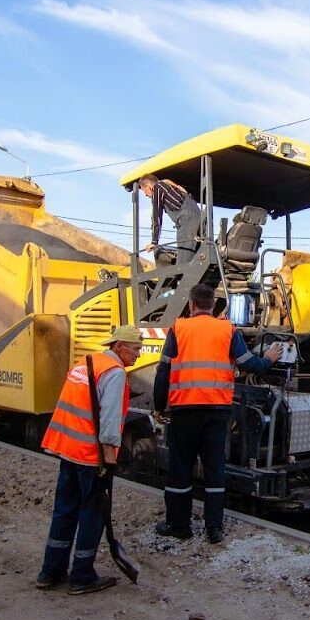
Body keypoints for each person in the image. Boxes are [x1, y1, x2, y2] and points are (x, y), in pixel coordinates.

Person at [153, 283, 282, 543]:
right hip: (216, 411)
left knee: (180, 469)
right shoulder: (227, 329)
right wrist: (269, 357)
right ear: (214, 305)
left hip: (184, 411)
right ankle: (214, 529)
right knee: (215, 469)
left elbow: (163, 372)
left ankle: (179, 526)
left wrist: (158, 405)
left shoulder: (178, 328)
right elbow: (250, 365)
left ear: (191, 304)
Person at [36, 325, 144, 595]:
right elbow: (108, 421)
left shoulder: (84, 364)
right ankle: (82, 576)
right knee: (92, 515)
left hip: (67, 450)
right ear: (119, 346)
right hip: (90, 457)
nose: (139, 354)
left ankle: (50, 571)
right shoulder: (115, 373)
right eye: (136, 348)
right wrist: (109, 461)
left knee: (64, 510)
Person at [137, 174, 203, 266]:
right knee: (200, 257)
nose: (145, 195)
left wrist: (154, 242)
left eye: (144, 191)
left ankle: (180, 279)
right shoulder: (174, 188)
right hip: (202, 221)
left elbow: (157, 217)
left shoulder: (157, 188)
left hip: (187, 224)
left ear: (148, 187)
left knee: (183, 263)